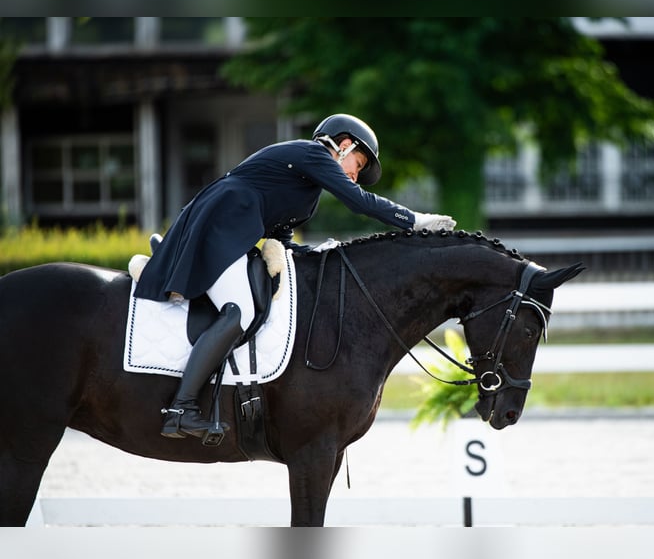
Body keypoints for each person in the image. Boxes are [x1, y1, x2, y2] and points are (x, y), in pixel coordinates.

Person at [134, 113, 456, 439]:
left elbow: (283, 239)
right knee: (240, 311)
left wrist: (319, 253)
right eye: (357, 165)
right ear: (344, 146)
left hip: (231, 230)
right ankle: (181, 408)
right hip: (221, 224)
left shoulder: (307, 194)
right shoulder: (312, 153)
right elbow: (359, 202)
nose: (355, 176)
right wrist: (414, 221)